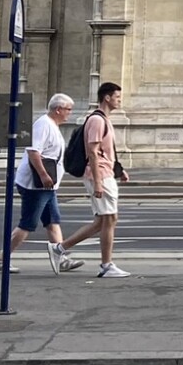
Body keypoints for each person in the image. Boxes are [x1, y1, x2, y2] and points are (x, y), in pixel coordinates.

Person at [0, 94, 86, 274]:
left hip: (46, 185)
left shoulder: (52, 125)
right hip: (36, 185)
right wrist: (43, 175)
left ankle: (61, 259)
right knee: (28, 223)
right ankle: (0, 259)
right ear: (58, 109)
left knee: (52, 220)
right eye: (68, 109)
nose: (70, 113)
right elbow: (34, 151)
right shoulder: (43, 124)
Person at [62, 83, 131, 278]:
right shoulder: (97, 121)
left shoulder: (104, 120)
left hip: (106, 172)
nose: (119, 100)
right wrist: (99, 182)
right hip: (99, 174)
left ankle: (60, 248)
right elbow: (92, 152)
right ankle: (106, 265)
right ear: (107, 98)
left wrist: (119, 170)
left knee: (103, 221)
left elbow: (107, 152)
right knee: (109, 219)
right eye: (117, 96)